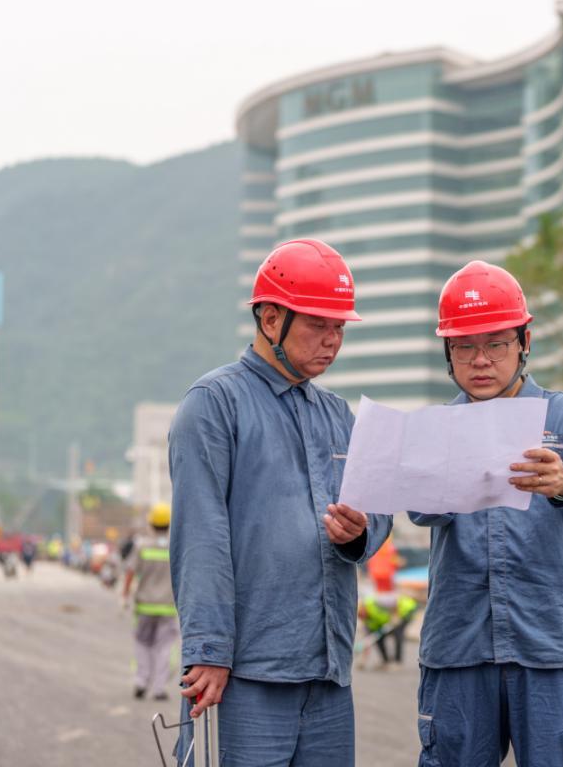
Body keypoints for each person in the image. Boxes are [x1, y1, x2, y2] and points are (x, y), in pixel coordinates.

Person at [169, 238, 392, 767]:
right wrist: (207, 652)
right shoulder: (214, 405)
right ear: (271, 319)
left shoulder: (339, 415)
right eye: (319, 325)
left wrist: (361, 533)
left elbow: (379, 510)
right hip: (244, 674)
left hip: (328, 673)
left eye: (339, 328)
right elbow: (201, 538)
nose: (333, 341)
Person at [410, 261, 563, 767]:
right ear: (448, 352)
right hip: (459, 647)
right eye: (464, 346)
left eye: (497, 343)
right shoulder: (437, 426)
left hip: (553, 646)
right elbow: (418, 509)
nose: (481, 360)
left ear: (525, 342)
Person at [122, 502, 178, 701]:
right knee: (163, 647)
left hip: (144, 606)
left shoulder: (141, 546)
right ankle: (159, 688)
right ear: (169, 524)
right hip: (168, 607)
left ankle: (141, 682)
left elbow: (130, 572)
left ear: (151, 523)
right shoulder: (175, 546)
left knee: (143, 644)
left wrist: (125, 596)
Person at [358, 591, 419, 668]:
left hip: (406, 609)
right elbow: (368, 641)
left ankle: (397, 662)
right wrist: (363, 661)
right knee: (378, 638)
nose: (362, 617)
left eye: (361, 614)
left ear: (362, 607)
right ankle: (386, 661)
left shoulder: (372, 602)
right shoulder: (367, 620)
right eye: (360, 617)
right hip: (390, 620)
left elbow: (394, 601)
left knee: (398, 633)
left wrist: (395, 616)